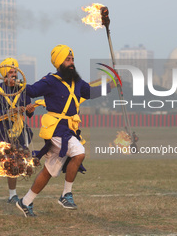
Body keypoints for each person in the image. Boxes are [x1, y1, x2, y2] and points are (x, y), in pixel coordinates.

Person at [16, 44, 116, 217]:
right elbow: (31, 90)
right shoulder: (50, 81)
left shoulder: (76, 81)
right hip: (56, 129)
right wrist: (17, 84)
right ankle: (65, 195)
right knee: (79, 152)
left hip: (69, 129)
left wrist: (111, 86)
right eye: (67, 60)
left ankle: (25, 201)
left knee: (49, 171)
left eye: (72, 60)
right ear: (59, 62)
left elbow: (91, 93)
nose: (71, 63)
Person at [0, 57, 35, 204]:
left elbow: (29, 112)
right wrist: (9, 111)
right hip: (2, 131)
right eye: (11, 72)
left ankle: (12, 195)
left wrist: (30, 110)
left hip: (19, 131)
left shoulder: (22, 89)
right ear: (4, 75)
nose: (14, 75)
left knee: (16, 163)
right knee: (5, 160)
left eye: (15, 72)